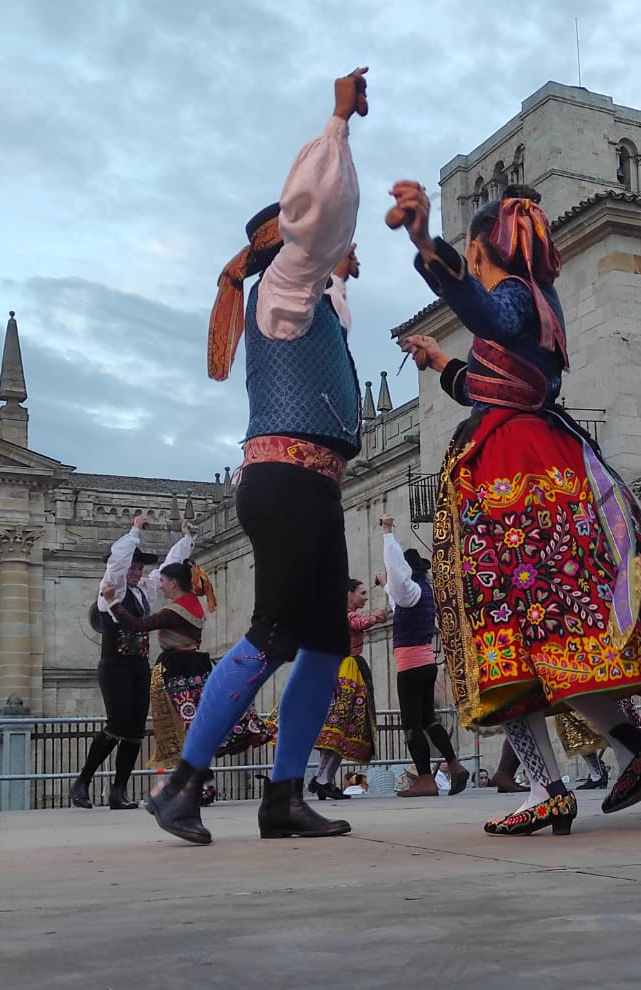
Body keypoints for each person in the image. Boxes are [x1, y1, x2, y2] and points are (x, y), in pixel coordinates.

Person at [391, 176, 641, 837]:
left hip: (512, 474)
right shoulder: (540, 302)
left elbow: (492, 317)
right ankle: (631, 743)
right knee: (557, 638)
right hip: (547, 458)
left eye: (471, 253)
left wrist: (428, 243)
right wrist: (443, 362)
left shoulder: (513, 295)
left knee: (502, 638)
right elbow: (498, 382)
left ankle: (547, 786)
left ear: (482, 246)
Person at [147, 71, 372, 845]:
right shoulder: (277, 284)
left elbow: (329, 289)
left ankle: (283, 796)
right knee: (274, 634)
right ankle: (182, 785)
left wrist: (343, 275)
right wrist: (337, 123)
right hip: (282, 483)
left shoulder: (307, 302)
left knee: (324, 644)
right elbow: (319, 221)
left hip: (314, 486)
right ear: (278, 239)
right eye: (314, 248)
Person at [107, 557, 273, 806]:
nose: (160, 586)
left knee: (189, 729)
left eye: (162, 581)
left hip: (181, 672)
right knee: (196, 726)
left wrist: (112, 602)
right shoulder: (194, 604)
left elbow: (136, 625)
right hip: (199, 666)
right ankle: (201, 783)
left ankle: (201, 785)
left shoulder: (173, 612)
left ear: (173, 582)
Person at [72, 516, 195, 811]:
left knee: (134, 730)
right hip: (114, 666)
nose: (137, 571)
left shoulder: (142, 592)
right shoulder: (110, 592)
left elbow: (167, 568)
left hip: (139, 667)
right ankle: (83, 781)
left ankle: (118, 791)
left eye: (140, 568)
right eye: (134, 567)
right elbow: (116, 564)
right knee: (116, 724)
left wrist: (186, 540)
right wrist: (135, 531)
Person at [379, 516, 468, 797]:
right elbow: (398, 598)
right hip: (426, 662)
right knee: (428, 719)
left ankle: (427, 779)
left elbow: (396, 572)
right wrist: (385, 585)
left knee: (411, 725)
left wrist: (387, 533)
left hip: (411, 666)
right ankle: (454, 765)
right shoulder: (424, 591)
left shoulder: (409, 588)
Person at [309, 578, 390, 800]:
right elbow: (356, 623)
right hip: (347, 670)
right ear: (348, 594)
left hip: (344, 669)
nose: (365, 596)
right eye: (362, 593)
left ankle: (321, 779)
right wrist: (375, 617)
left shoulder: (335, 614)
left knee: (340, 732)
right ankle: (322, 779)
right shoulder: (344, 614)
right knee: (341, 729)